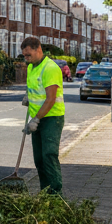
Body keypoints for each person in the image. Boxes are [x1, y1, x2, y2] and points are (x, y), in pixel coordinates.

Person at [21, 36, 65, 196]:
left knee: (49, 155)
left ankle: (56, 195)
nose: (26, 59)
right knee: (39, 159)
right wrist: (28, 97)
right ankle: (45, 192)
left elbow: (51, 98)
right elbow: (35, 89)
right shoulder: (32, 67)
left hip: (52, 119)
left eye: (28, 55)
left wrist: (36, 120)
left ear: (38, 49)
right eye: (24, 56)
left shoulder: (50, 68)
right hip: (37, 119)